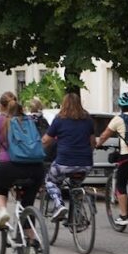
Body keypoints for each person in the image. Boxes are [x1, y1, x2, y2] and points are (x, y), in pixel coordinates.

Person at [0, 92, 45, 254]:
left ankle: (2, 211)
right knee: (27, 205)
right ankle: (31, 243)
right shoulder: (30, 120)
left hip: (10, 166)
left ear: (1, 106)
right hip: (36, 168)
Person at [95, 92, 128, 227]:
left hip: (127, 154)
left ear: (120, 106)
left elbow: (104, 136)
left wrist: (98, 145)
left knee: (121, 184)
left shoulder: (118, 119)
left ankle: (124, 216)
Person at [41, 92, 96, 222]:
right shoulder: (88, 120)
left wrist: (39, 149)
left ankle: (59, 205)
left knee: (51, 181)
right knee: (76, 186)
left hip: (64, 162)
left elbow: (46, 141)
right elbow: (93, 142)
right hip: (85, 163)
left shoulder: (59, 119)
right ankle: (77, 216)